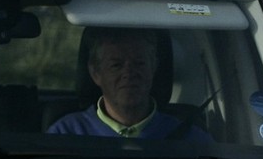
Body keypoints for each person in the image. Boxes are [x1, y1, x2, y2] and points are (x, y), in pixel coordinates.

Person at [46, 28, 209, 140]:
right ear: (96, 73)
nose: (129, 73)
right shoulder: (65, 135)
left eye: (139, 63)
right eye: (116, 65)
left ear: (154, 68)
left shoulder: (191, 139)